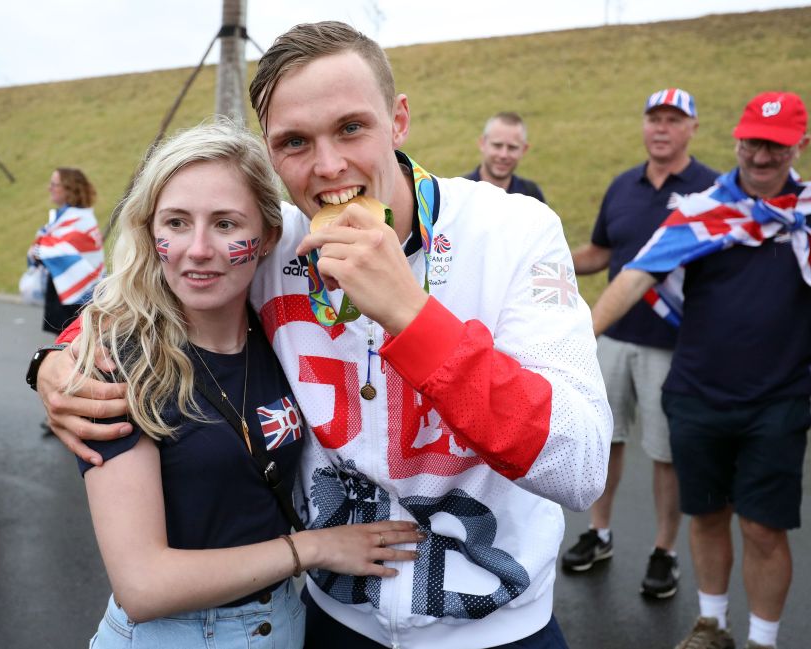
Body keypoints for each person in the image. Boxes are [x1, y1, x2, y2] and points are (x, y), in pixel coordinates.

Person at [34, 22, 611, 649]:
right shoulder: (272, 238)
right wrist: (59, 357)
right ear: (271, 151)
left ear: (399, 119)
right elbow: (149, 288)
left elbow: (580, 469)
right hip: (332, 623)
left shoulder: (513, 231)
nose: (328, 166)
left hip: (497, 630)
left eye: (352, 128)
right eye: (295, 142)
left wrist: (412, 317)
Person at [68, 120, 421, 648]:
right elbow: (142, 584)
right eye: (177, 223)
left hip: (283, 626)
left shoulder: (281, 334)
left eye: (227, 224)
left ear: (269, 238)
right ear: (151, 232)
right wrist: (315, 549)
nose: (199, 249)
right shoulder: (117, 364)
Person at [588, 92, 810, 649]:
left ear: (799, 147)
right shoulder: (703, 211)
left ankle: (763, 638)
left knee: (763, 527)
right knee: (707, 514)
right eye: (753, 142)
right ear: (737, 138)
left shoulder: (807, 218)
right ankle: (712, 623)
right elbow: (635, 276)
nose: (761, 157)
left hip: (778, 401)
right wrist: (576, 341)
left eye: (776, 146)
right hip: (697, 394)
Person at [563, 88, 719, 599]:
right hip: (613, 337)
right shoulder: (623, 185)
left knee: (665, 452)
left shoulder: (712, 189)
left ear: (691, 127)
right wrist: (550, 262)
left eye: (674, 119)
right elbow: (600, 252)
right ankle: (599, 531)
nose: (661, 127)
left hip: (676, 345)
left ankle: (663, 550)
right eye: (654, 117)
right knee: (605, 439)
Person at [28, 167, 103, 335]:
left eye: (55, 184)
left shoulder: (81, 219)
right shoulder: (63, 217)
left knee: (73, 346)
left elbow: (58, 250)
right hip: (63, 290)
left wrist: (41, 248)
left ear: (69, 189)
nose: (50, 188)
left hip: (78, 296)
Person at [463, 111, 546, 203]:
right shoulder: (459, 192)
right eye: (497, 145)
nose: (503, 155)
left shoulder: (531, 196)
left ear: (524, 149)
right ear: (482, 143)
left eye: (512, 147)